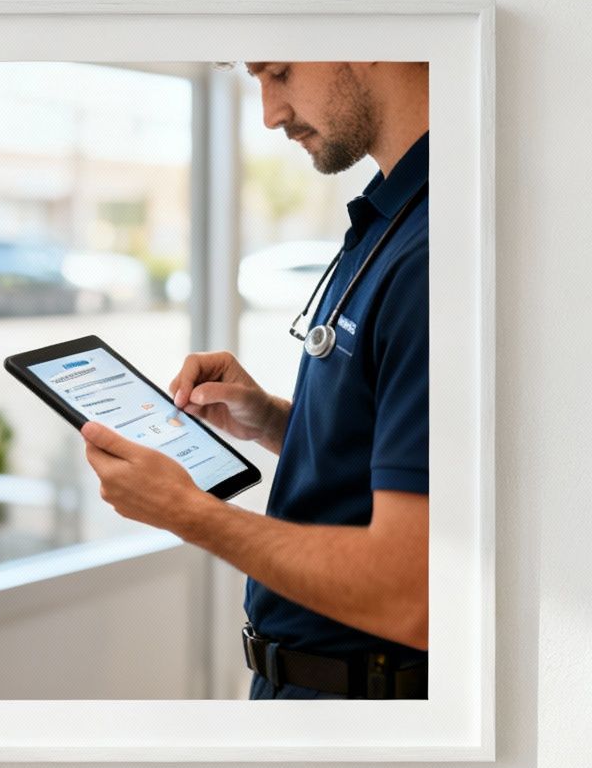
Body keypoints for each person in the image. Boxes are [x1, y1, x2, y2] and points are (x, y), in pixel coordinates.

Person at [82, 61, 430, 700]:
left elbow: (412, 591)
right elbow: (386, 444)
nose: (270, 112)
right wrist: (272, 419)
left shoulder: (434, 250)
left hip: (361, 717)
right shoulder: (393, 214)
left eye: (279, 72)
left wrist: (186, 512)